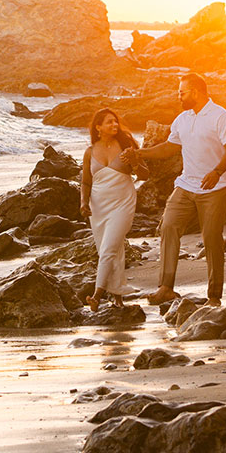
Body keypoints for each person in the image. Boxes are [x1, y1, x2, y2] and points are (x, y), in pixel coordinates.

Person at [122, 72, 226, 306]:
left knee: (211, 238)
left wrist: (216, 172)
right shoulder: (183, 119)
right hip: (186, 185)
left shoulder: (220, 116)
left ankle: (214, 296)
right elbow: (169, 147)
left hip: (215, 188)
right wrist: (139, 153)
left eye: (182, 92)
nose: (179, 97)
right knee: (168, 227)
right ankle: (166, 287)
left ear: (195, 92)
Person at [80, 108, 143, 311]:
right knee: (111, 249)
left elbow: (145, 174)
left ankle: (97, 295)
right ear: (98, 127)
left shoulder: (126, 146)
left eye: (115, 122)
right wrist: (83, 203)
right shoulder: (90, 152)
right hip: (98, 207)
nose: (114, 125)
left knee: (108, 249)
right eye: (109, 122)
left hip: (122, 202)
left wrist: (133, 161)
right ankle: (117, 296)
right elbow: (86, 182)